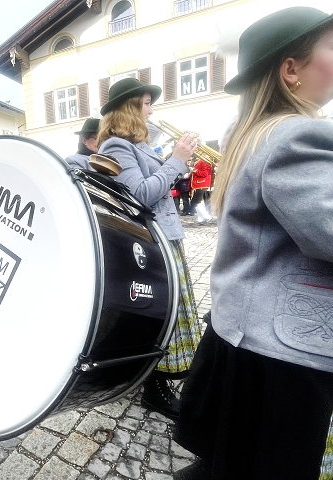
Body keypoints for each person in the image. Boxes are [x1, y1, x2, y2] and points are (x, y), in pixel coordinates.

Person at [173, 7, 333, 480]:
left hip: (247, 334)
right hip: (280, 353)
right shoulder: (295, 136)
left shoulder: (254, 134)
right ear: (290, 70)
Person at [97, 77, 202, 419]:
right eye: (145, 103)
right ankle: (154, 388)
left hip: (165, 237)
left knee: (173, 312)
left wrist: (176, 164)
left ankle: (162, 381)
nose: (151, 110)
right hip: (151, 242)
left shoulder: (138, 146)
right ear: (129, 108)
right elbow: (140, 195)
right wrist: (176, 160)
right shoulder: (116, 146)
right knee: (161, 315)